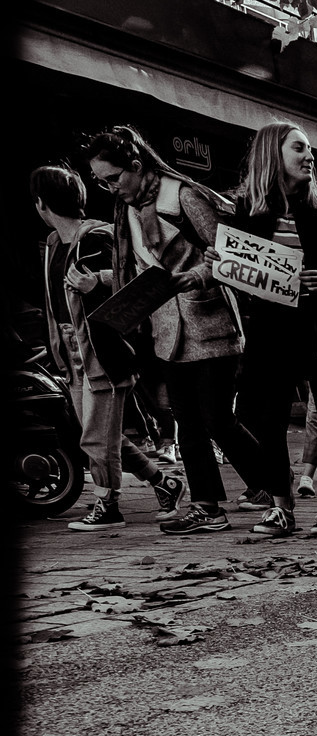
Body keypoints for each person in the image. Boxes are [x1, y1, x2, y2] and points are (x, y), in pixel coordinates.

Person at [85, 124, 273, 534]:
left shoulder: (182, 196)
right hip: (166, 330)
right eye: (103, 182)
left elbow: (228, 255)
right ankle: (208, 508)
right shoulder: (127, 211)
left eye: (114, 178)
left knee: (218, 420)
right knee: (187, 423)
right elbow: (136, 269)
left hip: (211, 322)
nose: (111, 188)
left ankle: (274, 486)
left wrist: (198, 276)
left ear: (136, 166)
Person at [224, 122, 317, 539]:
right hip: (272, 333)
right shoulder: (247, 212)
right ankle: (280, 507)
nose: (309, 157)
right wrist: (222, 264)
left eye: (310, 150)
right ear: (274, 154)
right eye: (299, 149)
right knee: (269, 422)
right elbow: (240, 276)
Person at [29, 164, 184, 530]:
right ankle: (165, 483)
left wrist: (96, 281)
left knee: (97, 436)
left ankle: (108, 506)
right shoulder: (54, 244)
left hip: (102, 349)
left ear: (41, 203)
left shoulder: (97, 236)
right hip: (71, 350)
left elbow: (138, 274)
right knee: (98, 434)